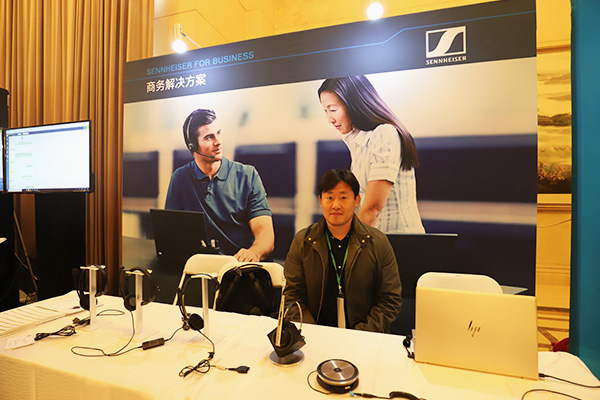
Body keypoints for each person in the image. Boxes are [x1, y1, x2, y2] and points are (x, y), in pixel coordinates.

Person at [283, 169, 402, 333]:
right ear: (321, 201)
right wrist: (313, 333)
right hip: (315, 337)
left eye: (343, 197)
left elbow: (389, 300)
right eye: (329, 197)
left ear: (356, 200)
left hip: (364, 337)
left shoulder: (378, 242)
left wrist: (359, 335)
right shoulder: (303, 241)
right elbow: (292, 297)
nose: (336, 205)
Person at [318, 75, 425, 234]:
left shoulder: (384, 133)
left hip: (399, 240)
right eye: (325, 111)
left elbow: (372, 209)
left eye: (333, 109)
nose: (330, 119)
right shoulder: (357, 142)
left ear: (354, 104)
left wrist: (349, 244)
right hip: (377, 239)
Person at [165, 108, 274, 262]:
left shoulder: (247, 175)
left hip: (240, 266)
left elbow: (265, 234)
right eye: (209, 137)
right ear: (192, 146)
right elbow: (171, 234)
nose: (218, 142)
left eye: (219, 133)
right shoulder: (180, 178)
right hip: (202, 267)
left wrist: (254, 252)